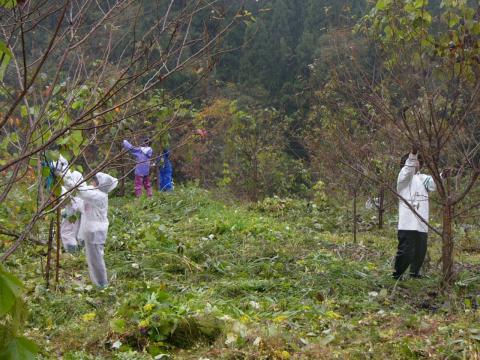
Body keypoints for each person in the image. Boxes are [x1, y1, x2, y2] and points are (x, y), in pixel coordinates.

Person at [64, 171, 117, 288]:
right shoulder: (93, 195)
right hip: (91, 232)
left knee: (96, 259)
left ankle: (102, 283)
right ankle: (98, 282)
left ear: (99, 184)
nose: (91, 182)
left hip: (96, 232)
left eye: (93, 180)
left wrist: (65, 178)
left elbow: (82, 191)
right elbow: (80, 204)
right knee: (93, 259)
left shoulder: (99, 196)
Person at [393, 147, 436, 279]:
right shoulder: (403, 178)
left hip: (421, 220)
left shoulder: (423, 178)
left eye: (418, 161)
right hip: (407, 222)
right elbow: (407, 170)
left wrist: (442, 176)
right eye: (413, 161)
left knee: (420, 250)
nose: (416, 163)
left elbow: (432, 185)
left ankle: (414, 273)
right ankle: (398, 274)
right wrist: (412, 155)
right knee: (406, 250)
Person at [60, 172, 84, 253]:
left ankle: (72, 253)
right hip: (77, 211)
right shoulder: (83, 192)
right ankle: (77, 253)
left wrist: (64, 213)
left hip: (74, 212)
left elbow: (70, 205)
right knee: (75, 233)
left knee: (67, 233)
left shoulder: (75, 194)